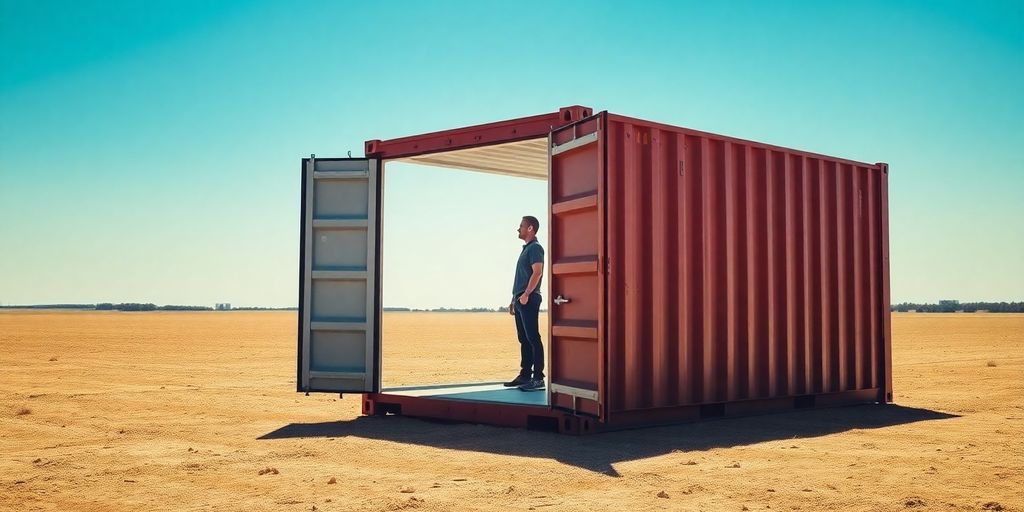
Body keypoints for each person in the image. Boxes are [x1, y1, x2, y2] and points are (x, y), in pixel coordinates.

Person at [504, 215, 546, 391]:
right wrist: (514, 299)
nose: (518, 228)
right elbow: (522, 277)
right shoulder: (526, 249)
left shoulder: (535, 248)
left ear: (530, 229)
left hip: (529, 298)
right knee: (524, 339)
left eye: (521, 226)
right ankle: (525, 375)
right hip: (521, 299)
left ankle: (538, 378)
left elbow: (538, 272)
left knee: (533, 338)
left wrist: (527, 294)